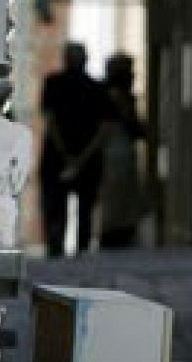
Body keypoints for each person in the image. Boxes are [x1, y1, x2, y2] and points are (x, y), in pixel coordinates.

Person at [39, 42, 110, 257]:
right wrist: (82, 158)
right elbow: (104, 129)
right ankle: (81, 253)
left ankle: (55, 251)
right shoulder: (97, 88)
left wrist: (65, 155)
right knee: (85, 211)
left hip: (57, 157)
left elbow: (50, 121)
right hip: (87, 160)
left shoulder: (53, 83)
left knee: (55, 209)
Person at [97, 52, 146, 250]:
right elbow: (129, 123)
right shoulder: (118, 95)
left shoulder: (112, 94)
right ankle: (116, 234)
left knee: (119, 197)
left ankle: (118, 231)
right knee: (117, 197)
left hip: (119, 150)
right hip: (117, 151)